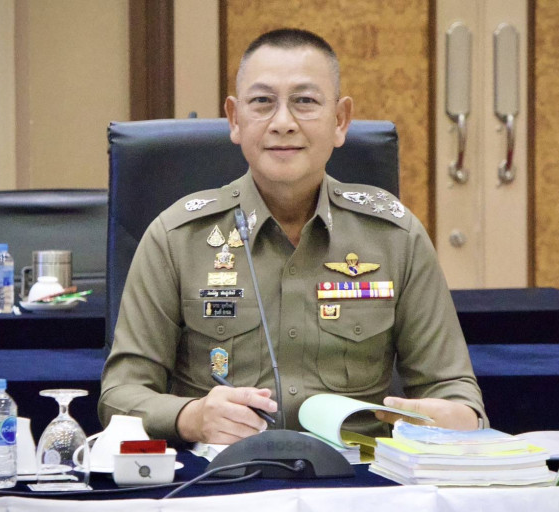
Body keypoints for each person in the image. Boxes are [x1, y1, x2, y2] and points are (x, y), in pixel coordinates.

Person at [99, 28, 486, 446]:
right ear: (235, 119)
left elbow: (454, 392)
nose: (283, 123)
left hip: (357, 476)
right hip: (223, 475)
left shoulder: (395, 237)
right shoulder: (177, 238)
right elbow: (120, 396)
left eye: (305, 102)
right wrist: (191, 416)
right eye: (262, 102)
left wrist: (457, 416)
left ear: (340, 121)